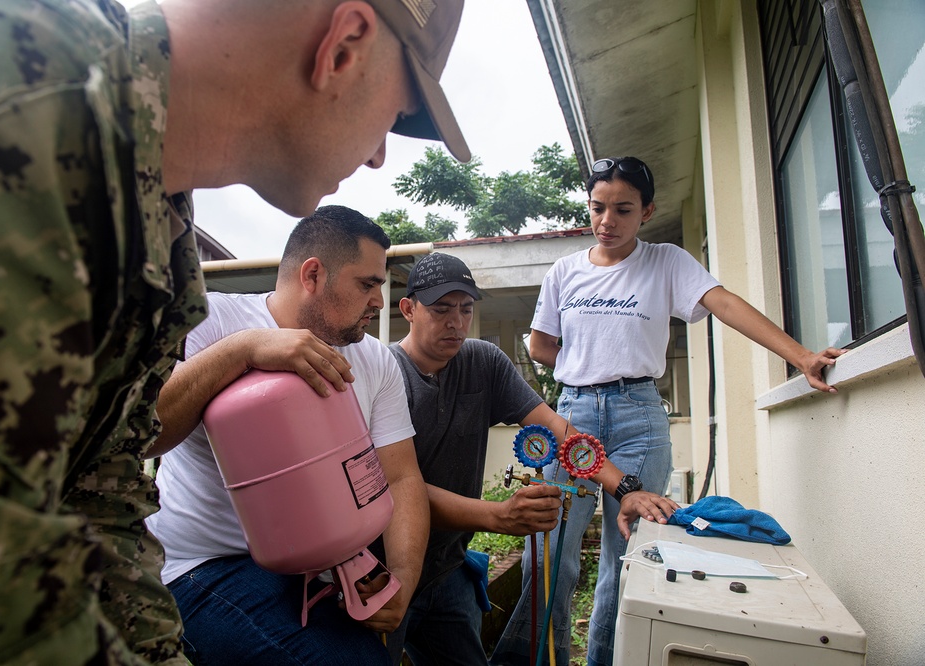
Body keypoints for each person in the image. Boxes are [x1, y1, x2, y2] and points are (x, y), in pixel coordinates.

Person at [0, 0, 467, 662]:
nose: (380, 155)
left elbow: (104, 494)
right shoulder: (4, 97)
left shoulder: (164, 226)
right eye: (396, 113)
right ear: (343, 46)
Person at [492, 156, 846, 666]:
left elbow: (724, 304)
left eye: (623, 209)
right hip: (572, 420)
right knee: (548, 558)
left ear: (647, 212)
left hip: (640, 419)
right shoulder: (564, 271)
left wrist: (802, 357)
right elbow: (542, 345)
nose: (607, 221)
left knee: (628, 560)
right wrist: (588, 360)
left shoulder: (668, 262)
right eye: (597, 208)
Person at [144, 206, 429, 665]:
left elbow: (400, 477)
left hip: (321, 565)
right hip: (202, 566)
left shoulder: (377, 361)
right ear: (312, 274)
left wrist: (403, 576)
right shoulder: (212, 320)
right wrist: (244, 349)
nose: (378, 300)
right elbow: (144, 431)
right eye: (367, 284)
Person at [383, 252, 679, 665]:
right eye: (440, 310)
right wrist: (497, 516)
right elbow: (395, 486)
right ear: (408, 309)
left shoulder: (482, 362)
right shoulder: (384, 373)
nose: (455, 322)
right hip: (386, 571)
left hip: (446, 569)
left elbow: (560, 432)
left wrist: (624, 488)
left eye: (466, 309)